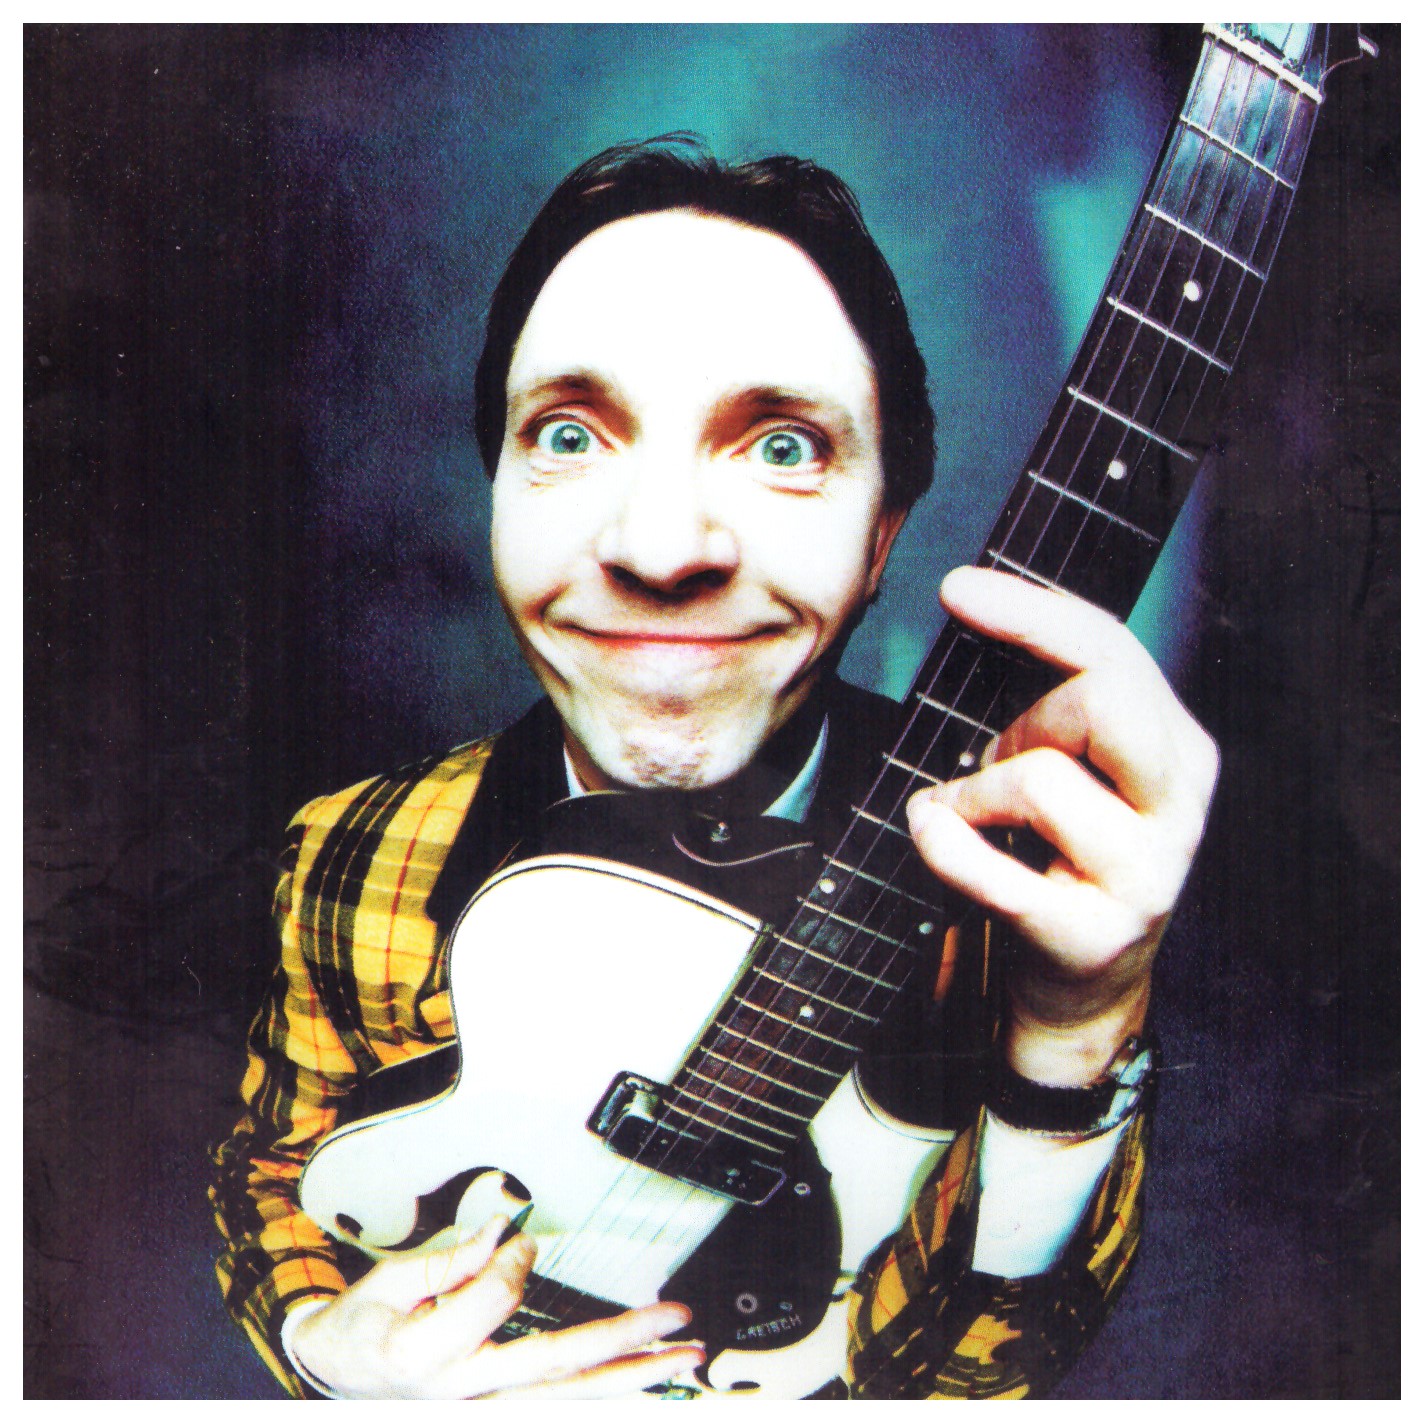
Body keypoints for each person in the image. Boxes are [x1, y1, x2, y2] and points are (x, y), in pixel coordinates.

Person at [210, 138, 1217, 1400]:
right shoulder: (347, 850)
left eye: (783, 446)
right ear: (496, 492)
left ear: (881, 538)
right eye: (568, 434)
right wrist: (324, 1348)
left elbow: (974, 1364)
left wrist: (1073, 1025)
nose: (661, 547)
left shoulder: (1013, 904)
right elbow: (273, 1168)